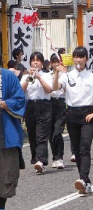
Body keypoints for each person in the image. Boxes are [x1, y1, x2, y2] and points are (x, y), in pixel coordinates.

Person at [53, 46, 93, 194]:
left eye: (82, 57)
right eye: (76, 57)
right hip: (71, 114)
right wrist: (56, 72)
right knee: (77, 149)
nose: (78, 60)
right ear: (73, 59)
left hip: (87, 114)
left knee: (85, 147)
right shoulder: (66, 76)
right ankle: (85, 181)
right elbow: (54, 88)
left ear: (86, 59)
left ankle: (83, 179)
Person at [20, 52, 53, 174]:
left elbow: (49, 89)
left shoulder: (47, 75)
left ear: (42, 63)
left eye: (38, 60)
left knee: (42, 134)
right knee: (32, 134)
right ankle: (36, 158)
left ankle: (41, 160)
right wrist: (29, 78)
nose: (35, 62)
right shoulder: (25, 76)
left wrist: (39, 77)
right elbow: (20, 90)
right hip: (30, 105)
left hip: (44, 105)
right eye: (33, 60)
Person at [0, 67, 26, 210]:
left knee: (5, 177)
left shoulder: (7, 76)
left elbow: (20, 99)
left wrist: (4, 104)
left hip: (5, 134)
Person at [49, 53, 66, 169]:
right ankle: (55, 157)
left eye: (58, 62)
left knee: (58, 131)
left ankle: (60, 157)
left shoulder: (65, 75)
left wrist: (62, 73)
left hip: (60, 103)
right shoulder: (47, 74)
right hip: (49, 103)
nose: (56, 64)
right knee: (51, 132)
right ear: (50, 63)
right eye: (54, 62)